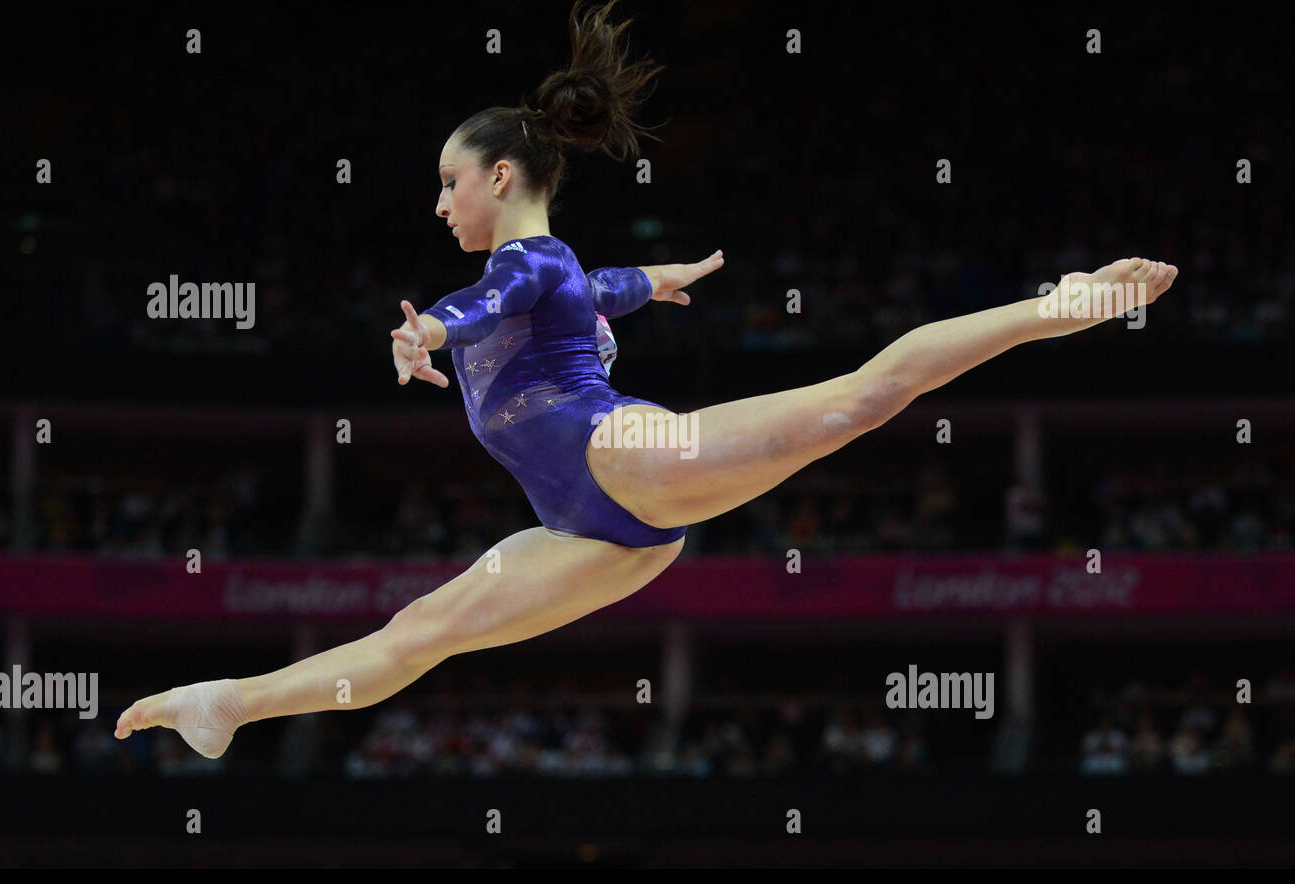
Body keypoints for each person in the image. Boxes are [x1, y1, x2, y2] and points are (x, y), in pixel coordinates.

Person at [115, 0, 1178, 759]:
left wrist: (429, 330)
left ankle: (1063, 301)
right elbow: (579, 287)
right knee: (414, 637)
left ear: (500, 176)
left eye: (448, 183)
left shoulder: (519, 263)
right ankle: (228, 703)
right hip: (587, 526)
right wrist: (644, 280)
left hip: (613, 455)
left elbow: (502, 298)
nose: (438, 205)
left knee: (856, 399)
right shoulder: (558, 271)